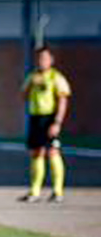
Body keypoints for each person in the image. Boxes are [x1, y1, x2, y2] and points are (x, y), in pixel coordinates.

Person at [20, 46, 71, 203]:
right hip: (36, 118)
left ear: (51, 60)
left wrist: (57, 122)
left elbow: (63, 100)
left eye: (45, 58)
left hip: (50, 118)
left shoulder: (56, 77)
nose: (42, 62)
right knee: (37, 153)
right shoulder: (33, 76)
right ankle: (35, 191)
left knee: (53, 152)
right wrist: (31, 85)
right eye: (39, 59)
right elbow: (23, 95)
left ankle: (58, 191)